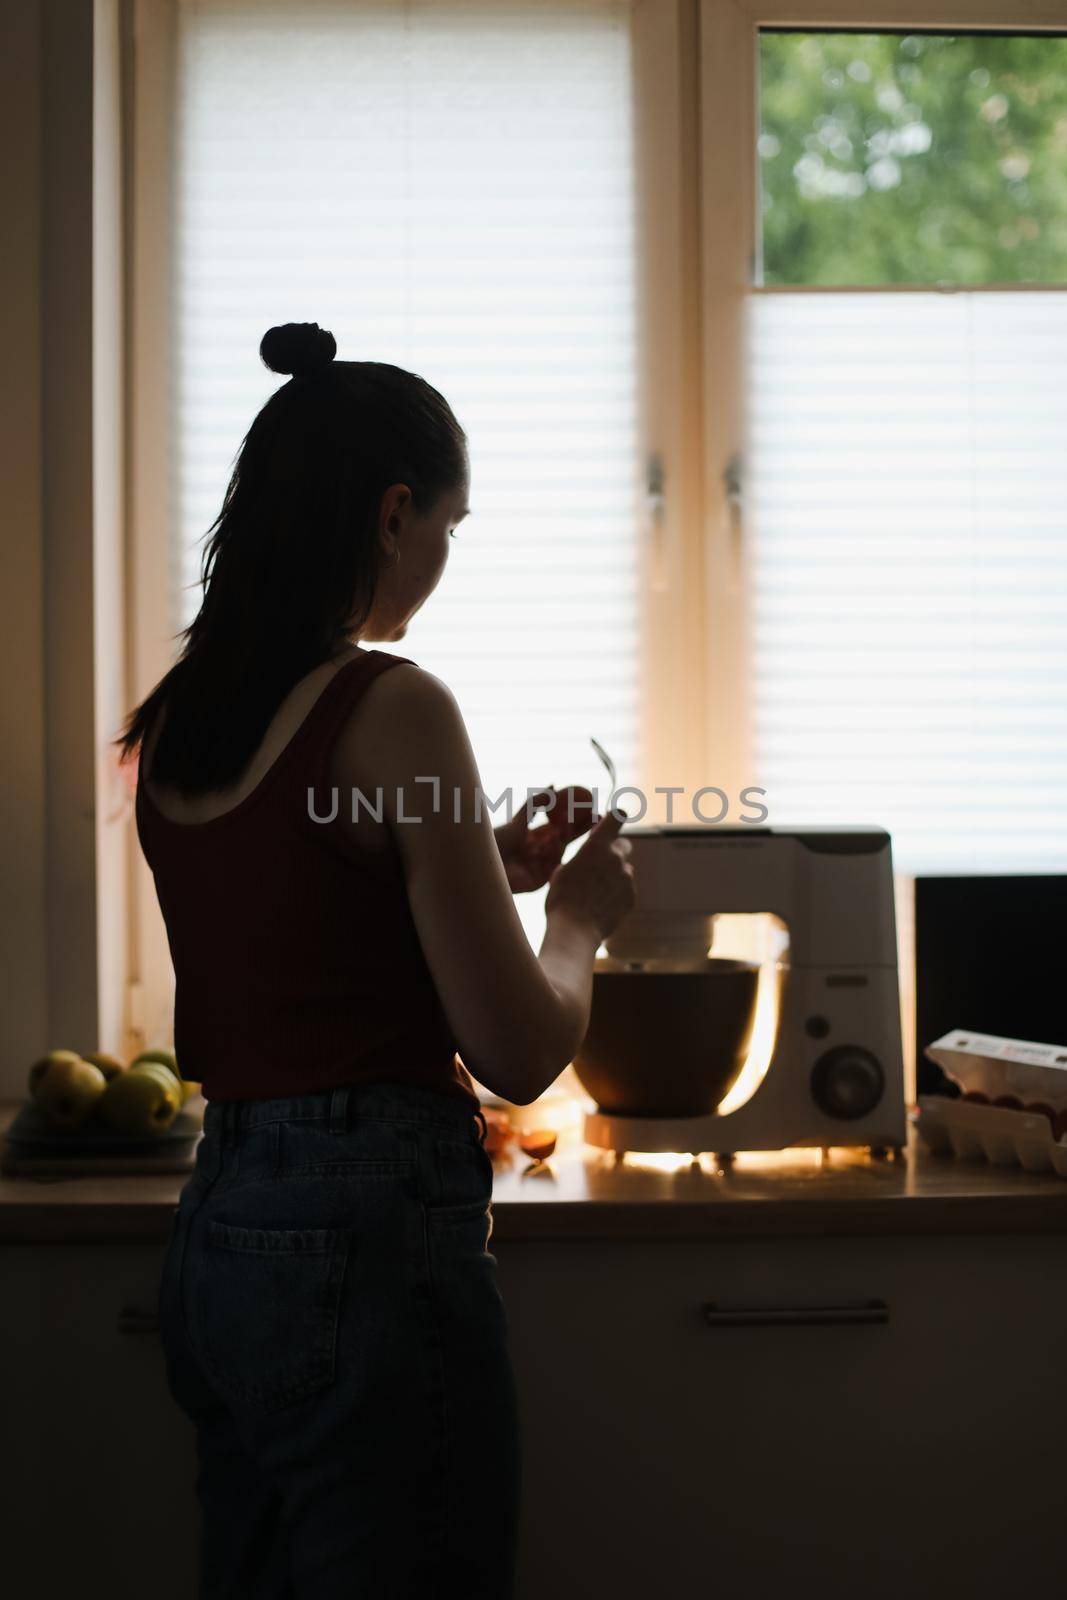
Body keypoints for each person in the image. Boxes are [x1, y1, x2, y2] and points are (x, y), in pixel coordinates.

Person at [119, 322, 636, 1600]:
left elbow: (299, 905)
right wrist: (573, 921)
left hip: (224, 1219)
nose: (442, 562)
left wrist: (476, 860)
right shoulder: (394, 704)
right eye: (450, 530)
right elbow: (515, 1050)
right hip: (363, 1231)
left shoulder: (182, 717)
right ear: (396, 513)